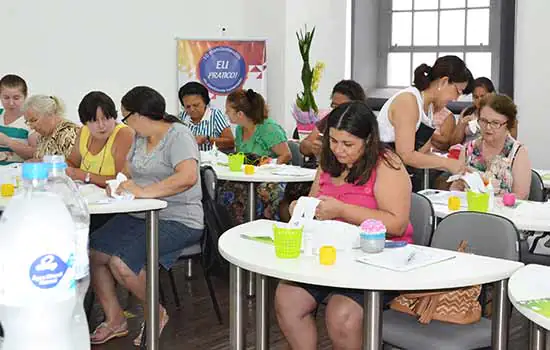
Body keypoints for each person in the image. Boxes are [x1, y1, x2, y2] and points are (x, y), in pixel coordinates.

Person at [275, 102, 413, 349]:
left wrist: (342, 210)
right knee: (288, 299)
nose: (338, 150)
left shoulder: (387, 164)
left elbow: (397, 224)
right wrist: (301, 206)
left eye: (348, 144)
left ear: (368, 140)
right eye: (333, 141)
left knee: (341, 315)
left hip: (377, 261)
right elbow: (316, 202)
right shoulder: (329, 161)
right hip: (331, 255)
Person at [89, 86, 204, 345]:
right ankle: (115, 319)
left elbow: (187, 177)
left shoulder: (179, 136)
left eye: (125, 117)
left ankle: (156, 313)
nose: (123, 123)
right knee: (94, 252)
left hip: (179, 218)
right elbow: (128, 173)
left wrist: (145, 191)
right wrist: (119, 183)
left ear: (140, 115)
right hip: (140, 214)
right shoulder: (139, 138)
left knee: (122, 263)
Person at [377, 55, 473, 191]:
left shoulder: (427, 109)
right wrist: (446, 163)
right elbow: (406, 155)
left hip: (396, 174)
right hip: (380, 174)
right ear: (444, 82)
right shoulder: (408, 101)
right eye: (458, 91)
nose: (456, 98)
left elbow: (424, 153)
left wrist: (456, 166)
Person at [280, 79, 367, 222]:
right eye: (334, 105)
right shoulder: (328, 120)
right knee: (289, 201)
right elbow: (303, 146)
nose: (337, 111)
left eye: (347, 143)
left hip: (343, 184)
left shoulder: (363, 128)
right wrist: (312, 147)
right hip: (319, 173)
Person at [218, 89, 291, 224]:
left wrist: (267, 168)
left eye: (228, 110)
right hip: (247, 176)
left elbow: (286, 155)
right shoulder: (240, 129)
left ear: (240, 114)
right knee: (225, 190)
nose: (226, 113)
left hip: (270, 178)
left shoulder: (268, 128)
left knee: (264, 192)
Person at [451, 94, 531, 199]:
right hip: (470, 211)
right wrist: (457, 185)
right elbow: (454, 190)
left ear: (508, 124)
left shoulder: (518, 152)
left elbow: (521, 197)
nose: (488, 127)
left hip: (503, 213)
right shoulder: (468, 149)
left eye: (495, 123)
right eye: (483, 121)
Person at [67, 91, 134, 187]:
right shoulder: (84, 131)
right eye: (94, 121)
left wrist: (86, 176)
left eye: (106, 118)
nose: (101, 126)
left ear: (114, 116)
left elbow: (122, 180)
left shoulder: (124, 134)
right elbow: (71, 162)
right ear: (85, 122)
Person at [179, 81, 234, 151]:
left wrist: (207, 139)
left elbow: (231, 143)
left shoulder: (215, 115)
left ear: (205, 102)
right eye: (187, 106)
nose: (192, 109)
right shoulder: (182, 117)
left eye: (196, 105)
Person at [22, 95, 79, 160]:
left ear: (50, 114)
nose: (31, 127)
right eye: (28, 122)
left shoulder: (69, 134)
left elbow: (73, 166)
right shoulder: (44, 135)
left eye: (34, 120)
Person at [0, 75, 37, 164]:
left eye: (16, 98)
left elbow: (36, 155)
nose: (11, 103)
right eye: (6, 98)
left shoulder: (32, 120)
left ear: (25, 96)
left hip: (16, 175)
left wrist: (8, 142)